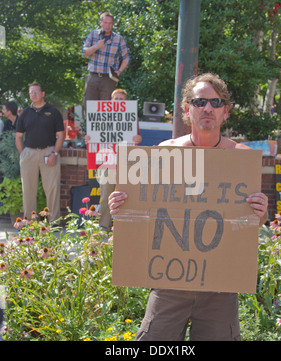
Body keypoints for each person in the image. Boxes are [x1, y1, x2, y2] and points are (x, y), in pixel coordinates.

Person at [108, 73, 269, 341]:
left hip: (220, 283)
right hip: (169, 280)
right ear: (186, 109)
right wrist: (121, 207)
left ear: (225, 112)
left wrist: (261, 213)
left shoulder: (241, 159)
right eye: (199, 101)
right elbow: (143, 211)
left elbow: (252, 222)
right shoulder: (165, 152)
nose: (208, 108)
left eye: (216, 103)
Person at [85, 88, 142, 233]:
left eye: (121, 100)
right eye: (116, 99)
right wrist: (88, 139)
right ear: (111, 101)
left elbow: (138, 138)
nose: (118, 102)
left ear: (125, 103)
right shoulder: (101, 116)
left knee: (125, 197)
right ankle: (104, 227)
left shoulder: (131, 118)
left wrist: (137, 138)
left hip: (125, 164)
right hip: (107, 164)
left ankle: (121, 228)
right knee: (105, 197)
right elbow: (93, 140)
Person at [15, 82, 65, 222]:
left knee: (52, 189)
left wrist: (54, 153)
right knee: (28, 190)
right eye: (31, 92)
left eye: (36, 92)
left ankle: (54, 222)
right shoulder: (25, 113)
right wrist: (23, 154)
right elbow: (18, 137)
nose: (33, 95)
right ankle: (30, 223)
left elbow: (60, 135)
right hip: (29, 153)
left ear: (43, 93)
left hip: (49, 152)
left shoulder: (53, 111)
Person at [82, 12, 130, 107]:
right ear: (101, 23)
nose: (107, 26)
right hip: (93, 76)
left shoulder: (118, 39)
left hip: (109, 79)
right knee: (89, 107)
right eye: (105, 22)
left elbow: (126, 57)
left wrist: (119, 71)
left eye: (110, 23)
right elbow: (85, 53)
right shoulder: (93, 35)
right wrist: (96, 46)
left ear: (113, 24)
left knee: (107, 108)